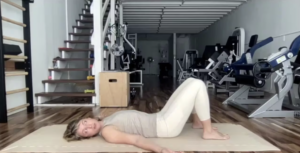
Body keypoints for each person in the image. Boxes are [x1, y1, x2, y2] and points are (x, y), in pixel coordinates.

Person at [63, 78, 230, 153]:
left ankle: (197, 122)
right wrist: (161, 150)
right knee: (198, 85)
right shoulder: (107, 132)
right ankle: (208, 131)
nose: (88, 126)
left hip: (161, 117)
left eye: (84, 122)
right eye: (85, 131)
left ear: (88, 118)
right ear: (88, 136)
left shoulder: (104, 119)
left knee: (190, 81)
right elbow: (136, 140)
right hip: (165, 126)